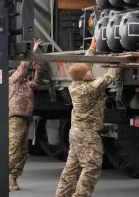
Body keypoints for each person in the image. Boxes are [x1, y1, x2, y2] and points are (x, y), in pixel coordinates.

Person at [55, 37, 121, 197]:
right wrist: (116, 63)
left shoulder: (75, 84)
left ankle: (62, 195)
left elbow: (85, 66)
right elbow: (107, 78)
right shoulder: (88, 89)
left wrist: (92, 48)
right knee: (92, 167)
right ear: (83, 76)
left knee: (72, 167)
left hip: (77, 133)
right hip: (87, 135)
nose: (90, 71)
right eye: (88, 72)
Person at [9, 39, 43, 191]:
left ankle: (13, 177)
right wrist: (32, 52)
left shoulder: (26, 86)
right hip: (15, 118)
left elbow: (37, 82)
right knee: (14, 148)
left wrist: (38, 69)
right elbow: (22, 69)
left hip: (25, 120)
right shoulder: (11, 82)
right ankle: (6, 174)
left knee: (23, 151)